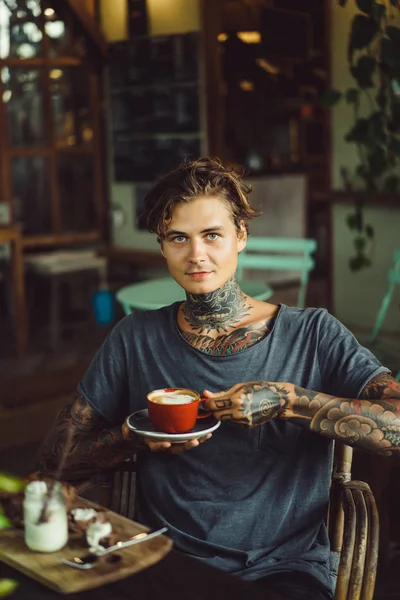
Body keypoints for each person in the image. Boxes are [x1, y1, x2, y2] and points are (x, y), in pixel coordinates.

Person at [37, 157, 400, 600]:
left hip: (282, 570)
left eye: (212, 235)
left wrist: (289, 401)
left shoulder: (313, 333)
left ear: (240, 236)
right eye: (178, 238)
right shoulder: (134, 338)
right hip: (160, 558)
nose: (196, 255)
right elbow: (54, 465)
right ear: (162, 246)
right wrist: (134, 435)